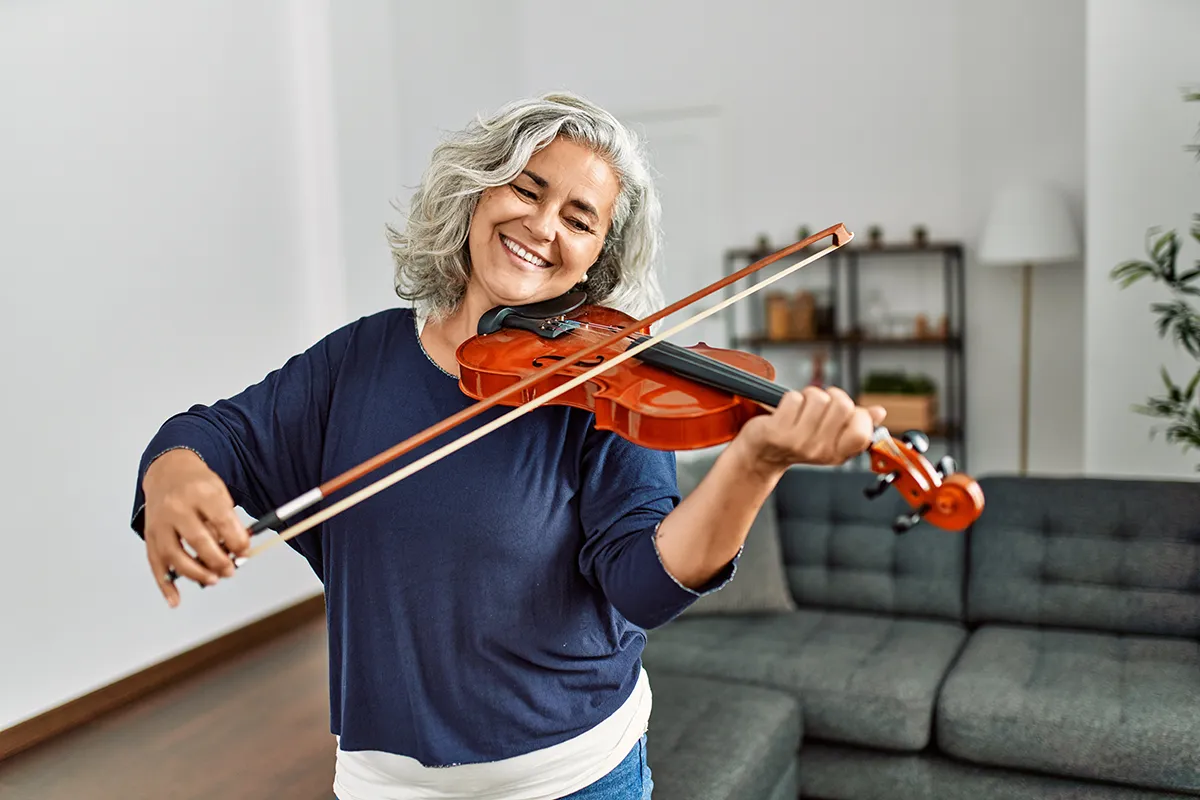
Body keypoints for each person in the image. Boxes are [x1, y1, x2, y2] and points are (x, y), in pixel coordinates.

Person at [130, 91, 884, 800]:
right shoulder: (358, 360)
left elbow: (644, 586)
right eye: (527, 189)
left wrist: (754, 464)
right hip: (380, 783)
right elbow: (210, 435)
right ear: (478, 191)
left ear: (596, 260)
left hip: (572, 779)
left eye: (580, 218)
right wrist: (173, 478)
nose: (544, 225)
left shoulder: (612, 382)